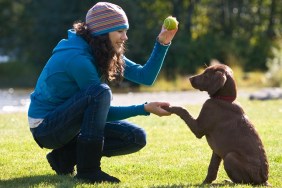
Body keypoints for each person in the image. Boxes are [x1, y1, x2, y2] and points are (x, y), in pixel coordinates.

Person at [28, 2, 178, 183]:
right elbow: (101, 111)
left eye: (125, 30)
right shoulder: (78, 58)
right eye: (120, 31)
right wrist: (143, 108)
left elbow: (145, 77)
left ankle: (64, 157)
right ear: (102, 33)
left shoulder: (102, 49)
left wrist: (163, 42)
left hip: (69, 124)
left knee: (135, 137)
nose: (125, 37)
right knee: (100, 93)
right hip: (46, 127)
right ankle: (88, 170)